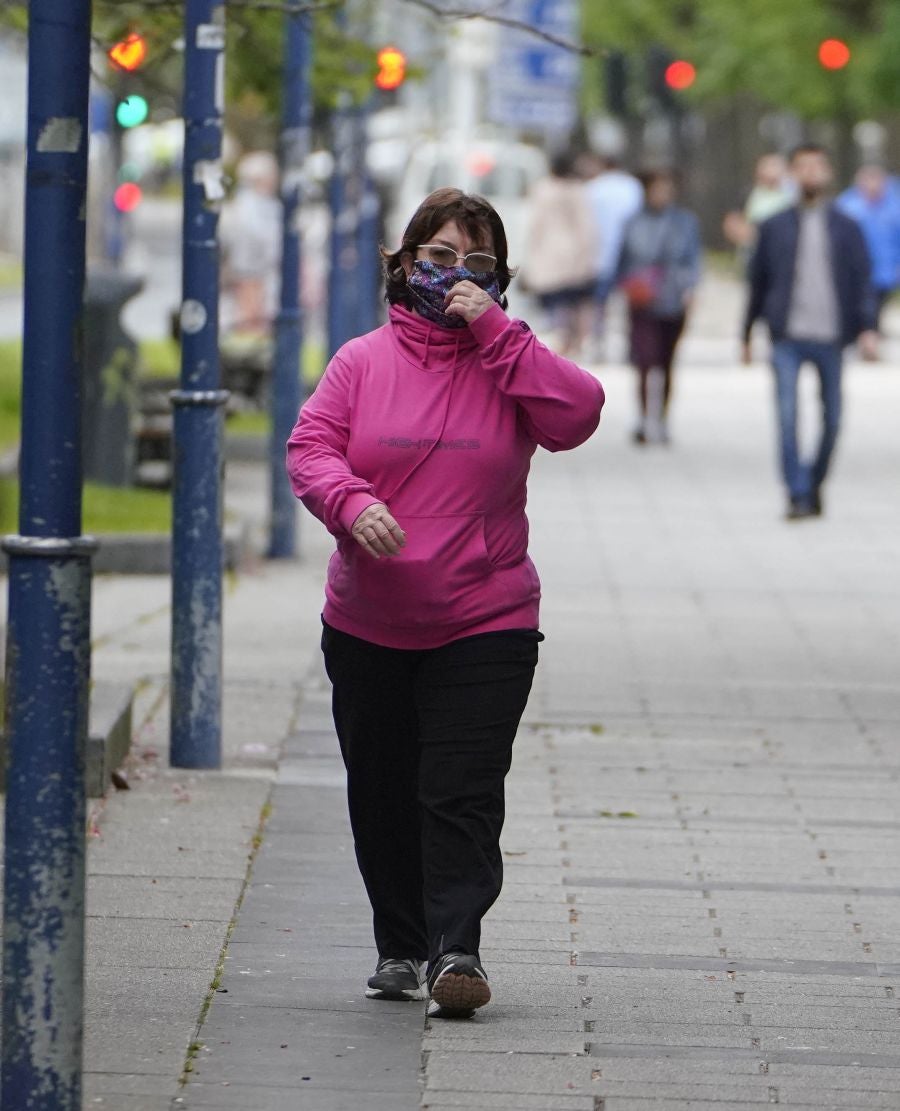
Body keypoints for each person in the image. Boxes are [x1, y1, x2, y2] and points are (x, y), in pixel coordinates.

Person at [285, 188, 604, 1018]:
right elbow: (310, 446)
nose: (454, 276)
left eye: (478, 263)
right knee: (383, 785)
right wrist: (352, 505)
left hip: (485, 616)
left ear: (501, 279)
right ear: (405, 264)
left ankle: (456, 948)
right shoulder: (360, 361)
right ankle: (400, 943)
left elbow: (579, 413)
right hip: (370, 619)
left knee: (459, 787)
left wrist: (494, 332)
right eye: (437, 259)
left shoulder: (511, 360)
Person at [742, 143, 879, 520]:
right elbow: (758, 282)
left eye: (817, 166)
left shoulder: (847, 227)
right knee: (786, 416)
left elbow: (862, 280)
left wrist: (869, 328)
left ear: (828, 172)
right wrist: (746, 332)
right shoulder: (774, 226)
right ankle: (797, 491)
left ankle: (814, 481)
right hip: (787, 333)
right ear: (792, 173)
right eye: (802, 167)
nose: (810, 174)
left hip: (832, 335)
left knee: (832, 418)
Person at [616, 168, 701, 444]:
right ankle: (642, 418)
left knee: (666, 361)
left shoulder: (685, 222)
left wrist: (690, 288)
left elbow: (693, 260)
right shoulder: (632, 222)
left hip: (673, 299)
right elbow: (622, 261)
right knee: (644, 359)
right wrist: (622, 287)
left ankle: (662, 418)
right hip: (642, 300)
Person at [519, 151, 598, 357]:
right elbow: (586, 226)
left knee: (555, 300)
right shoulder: (577, 190)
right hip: (573, 252)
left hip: (548, 252)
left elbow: (535, 225)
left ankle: (561, 336)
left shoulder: (542, 190)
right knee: (573, 300)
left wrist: (530, 254)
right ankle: (573, 340)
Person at [582, 152, 643, 352]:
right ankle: (632, 345)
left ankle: (599, 342)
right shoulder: (633, 186)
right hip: (631, 252)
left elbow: (588, 223)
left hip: (601, 253)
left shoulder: (593, 188)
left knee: (600, 303)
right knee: (631, 302)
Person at [835, 163, 900, 332]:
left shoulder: (894, 206)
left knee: (875, 307)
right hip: (853, 270)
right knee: (861, 306)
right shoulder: (847, 205)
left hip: (883, 271)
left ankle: (870, 334)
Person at [722, 153, 795, 256]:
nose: (773, 170)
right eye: (769, 165)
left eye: (776, 165)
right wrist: (750, 235)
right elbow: (730, 224)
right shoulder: (748, 193)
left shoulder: (793, 195)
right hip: (753, 255)